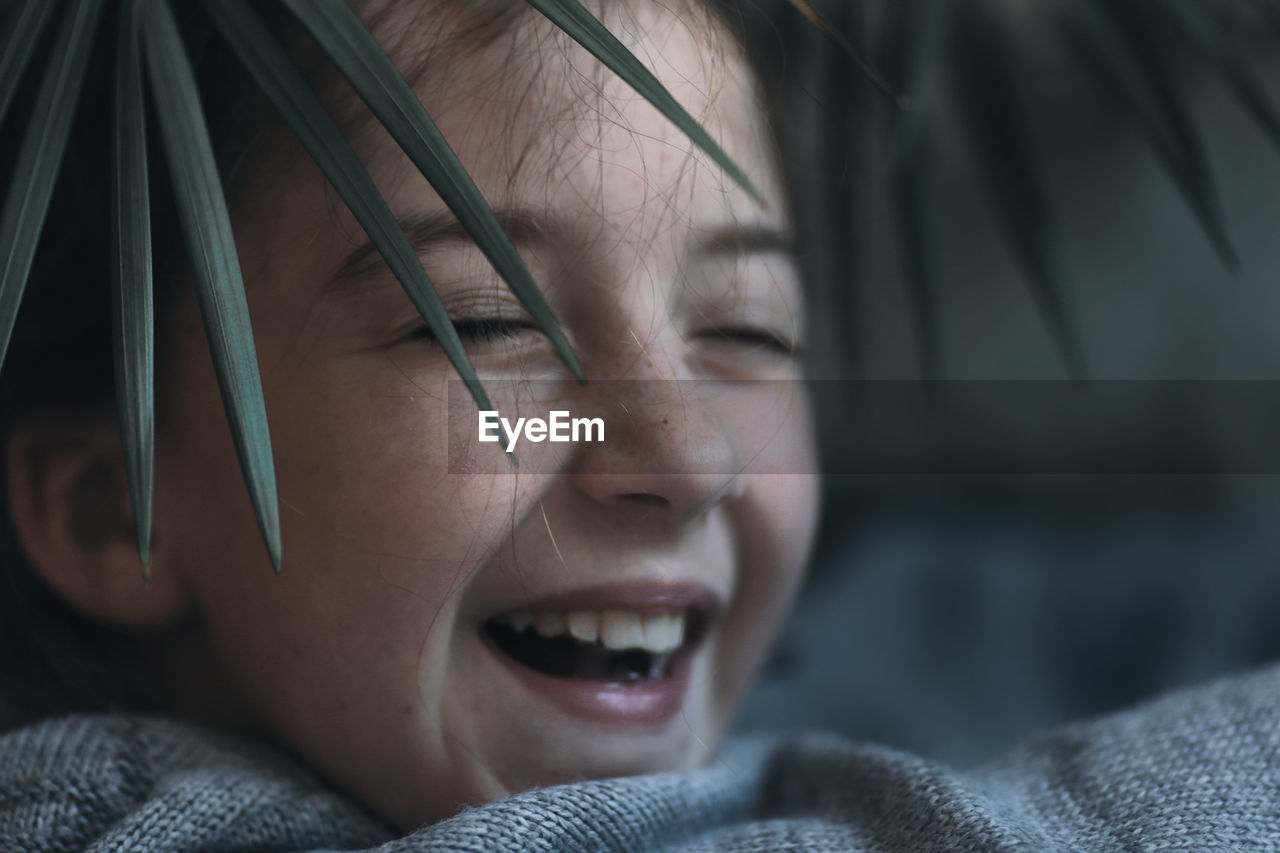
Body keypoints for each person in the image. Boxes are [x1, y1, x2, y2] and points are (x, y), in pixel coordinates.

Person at [4, 1, 1280, 850]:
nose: (692, 459)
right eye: (483, 323)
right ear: (124, 505)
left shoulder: (908, 607)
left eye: (747, 332)